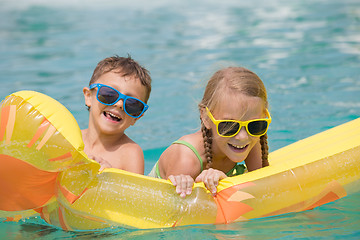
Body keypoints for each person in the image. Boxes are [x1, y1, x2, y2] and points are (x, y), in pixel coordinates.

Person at [149, 67, 271, 197]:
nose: (242, 136)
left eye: (255, 125)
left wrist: (226, 182)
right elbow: (173, 214)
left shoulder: (250, 139)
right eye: (229, 126)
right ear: (206, 117)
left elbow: (264, 192)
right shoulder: (187, 160)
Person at [82, 55, 151, 174]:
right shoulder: (70, 139)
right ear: (88, 97)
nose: (119, 104)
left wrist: (110, 177)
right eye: (109, 94)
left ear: (137, 116)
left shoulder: (130, 154)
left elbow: (134, 192)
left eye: (132, 103)